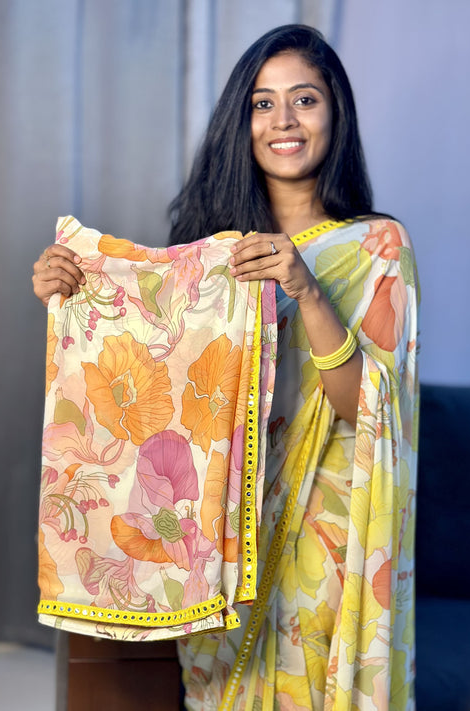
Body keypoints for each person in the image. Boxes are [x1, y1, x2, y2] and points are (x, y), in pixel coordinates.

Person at [33, 24, 418, 711]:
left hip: (324, 528)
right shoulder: (210, 255)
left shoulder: (376, 246)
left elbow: (366, 405)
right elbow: (154, 383)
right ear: (240, 123)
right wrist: (73, 291)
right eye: (262, 104)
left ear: (335, 113)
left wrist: (304, 288)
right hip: (220, 529)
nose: (284, 121)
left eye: (304, 99)